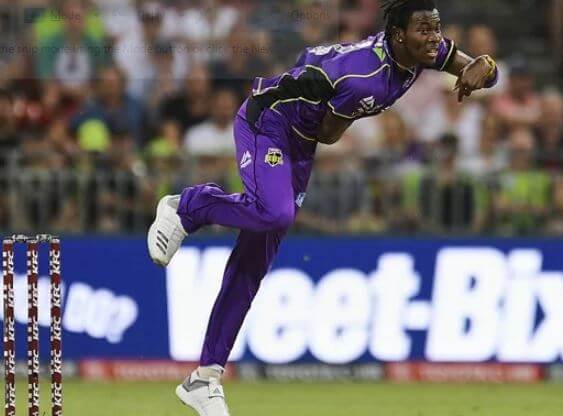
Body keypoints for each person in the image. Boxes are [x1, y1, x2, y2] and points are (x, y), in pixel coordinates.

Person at [147, 1, 498, 415]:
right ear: (398, 35)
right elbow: (330, 134)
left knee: (254, 262)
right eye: (424, 29)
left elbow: (477, 70)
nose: (435, 38)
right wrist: (353, 105)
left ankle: (204, 377)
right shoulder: (365, 79)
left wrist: (485, 65)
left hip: (299, 144)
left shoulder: (422, 50)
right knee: (274, 213)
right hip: (269, 122)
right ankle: (188, 206)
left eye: (436, 28)